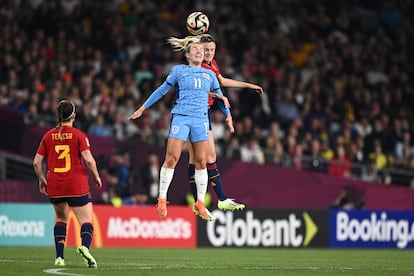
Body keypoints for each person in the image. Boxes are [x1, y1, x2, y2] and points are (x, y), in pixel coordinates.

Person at [128, 37, 231, 221]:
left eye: (201, 50)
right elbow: (161, 90)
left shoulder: (210, 75)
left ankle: (200, 202)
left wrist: (228, 115)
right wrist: (143, 108)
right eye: (196, 50)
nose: (200, 52)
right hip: (181, 118)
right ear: (187, 54)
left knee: (200, 162)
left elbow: (221, 97)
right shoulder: (179, 71)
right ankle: (162, 198)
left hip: (201, 120)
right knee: (172, 158)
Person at [173, 34, 264, 211]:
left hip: (204, 113)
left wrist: (248, 85)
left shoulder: (212, 65)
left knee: (210, 157)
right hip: (192, 113)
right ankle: (201, 202)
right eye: (206, 50)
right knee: (197, 158)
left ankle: (220, 199)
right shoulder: (195, 69)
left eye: (213, 50)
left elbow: (221, 83)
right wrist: (223, 107)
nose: (209, 53)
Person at [33, 100, 102, 268]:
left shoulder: (48, 135)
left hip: (55, 184)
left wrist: (42, 179)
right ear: (74, 116)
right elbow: (88, 160)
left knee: (61, 219)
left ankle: (59, 257)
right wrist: (96, 176)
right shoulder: (79, 135)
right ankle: (84, 247)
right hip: (75, 183)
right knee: (86, 220)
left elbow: (36, 162)